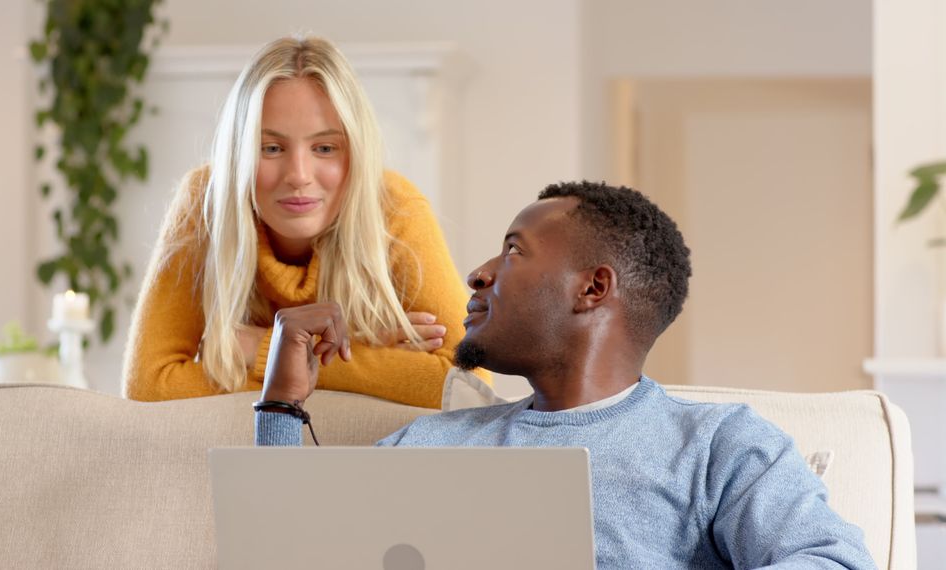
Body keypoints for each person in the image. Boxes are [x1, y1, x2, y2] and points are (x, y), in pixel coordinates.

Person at [253, 181, 875, 568]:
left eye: (514, 249)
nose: (479, 273)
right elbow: (284, 553)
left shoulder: (718, 444)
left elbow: (832, 562)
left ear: (593, 288)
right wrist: (282, 402)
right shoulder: (430, 444)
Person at [123, 35, 485, 407]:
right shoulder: (205, 201)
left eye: (324, 148)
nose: (298, 175)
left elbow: (467, 381)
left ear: (356, 152)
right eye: (272, 148)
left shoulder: (393, 207)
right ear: (239, 153)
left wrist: (266, 349)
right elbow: (149, 387)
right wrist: (366, 355)